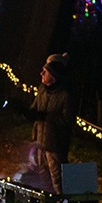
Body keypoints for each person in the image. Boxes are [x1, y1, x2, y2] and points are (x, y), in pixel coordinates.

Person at [26, 54, 75, 194]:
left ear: (53, 76)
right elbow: (34, 111)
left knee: (59, 185)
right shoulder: (43, 91)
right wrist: (23, 110)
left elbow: (67, 120)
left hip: (55, 146)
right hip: (40, 143)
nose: (41, 73)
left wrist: (46, 117)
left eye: (45, 71)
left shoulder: (65, 95)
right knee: (45, 184)